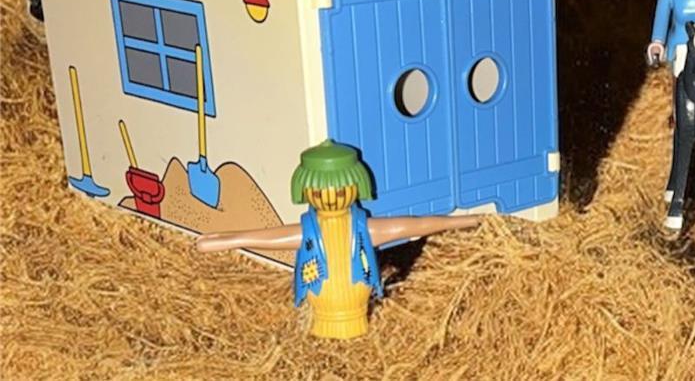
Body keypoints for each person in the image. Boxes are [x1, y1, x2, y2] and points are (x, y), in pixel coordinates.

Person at [196, 141, 484, 339]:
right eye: (321, 192)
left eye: (339, 190)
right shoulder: (311, 231)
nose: (331, 198)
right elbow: (270, 237)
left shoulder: (362, 229)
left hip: (357, 309)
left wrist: (465, 221)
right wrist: (228, 239)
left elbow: (413, 226)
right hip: (321, 310)